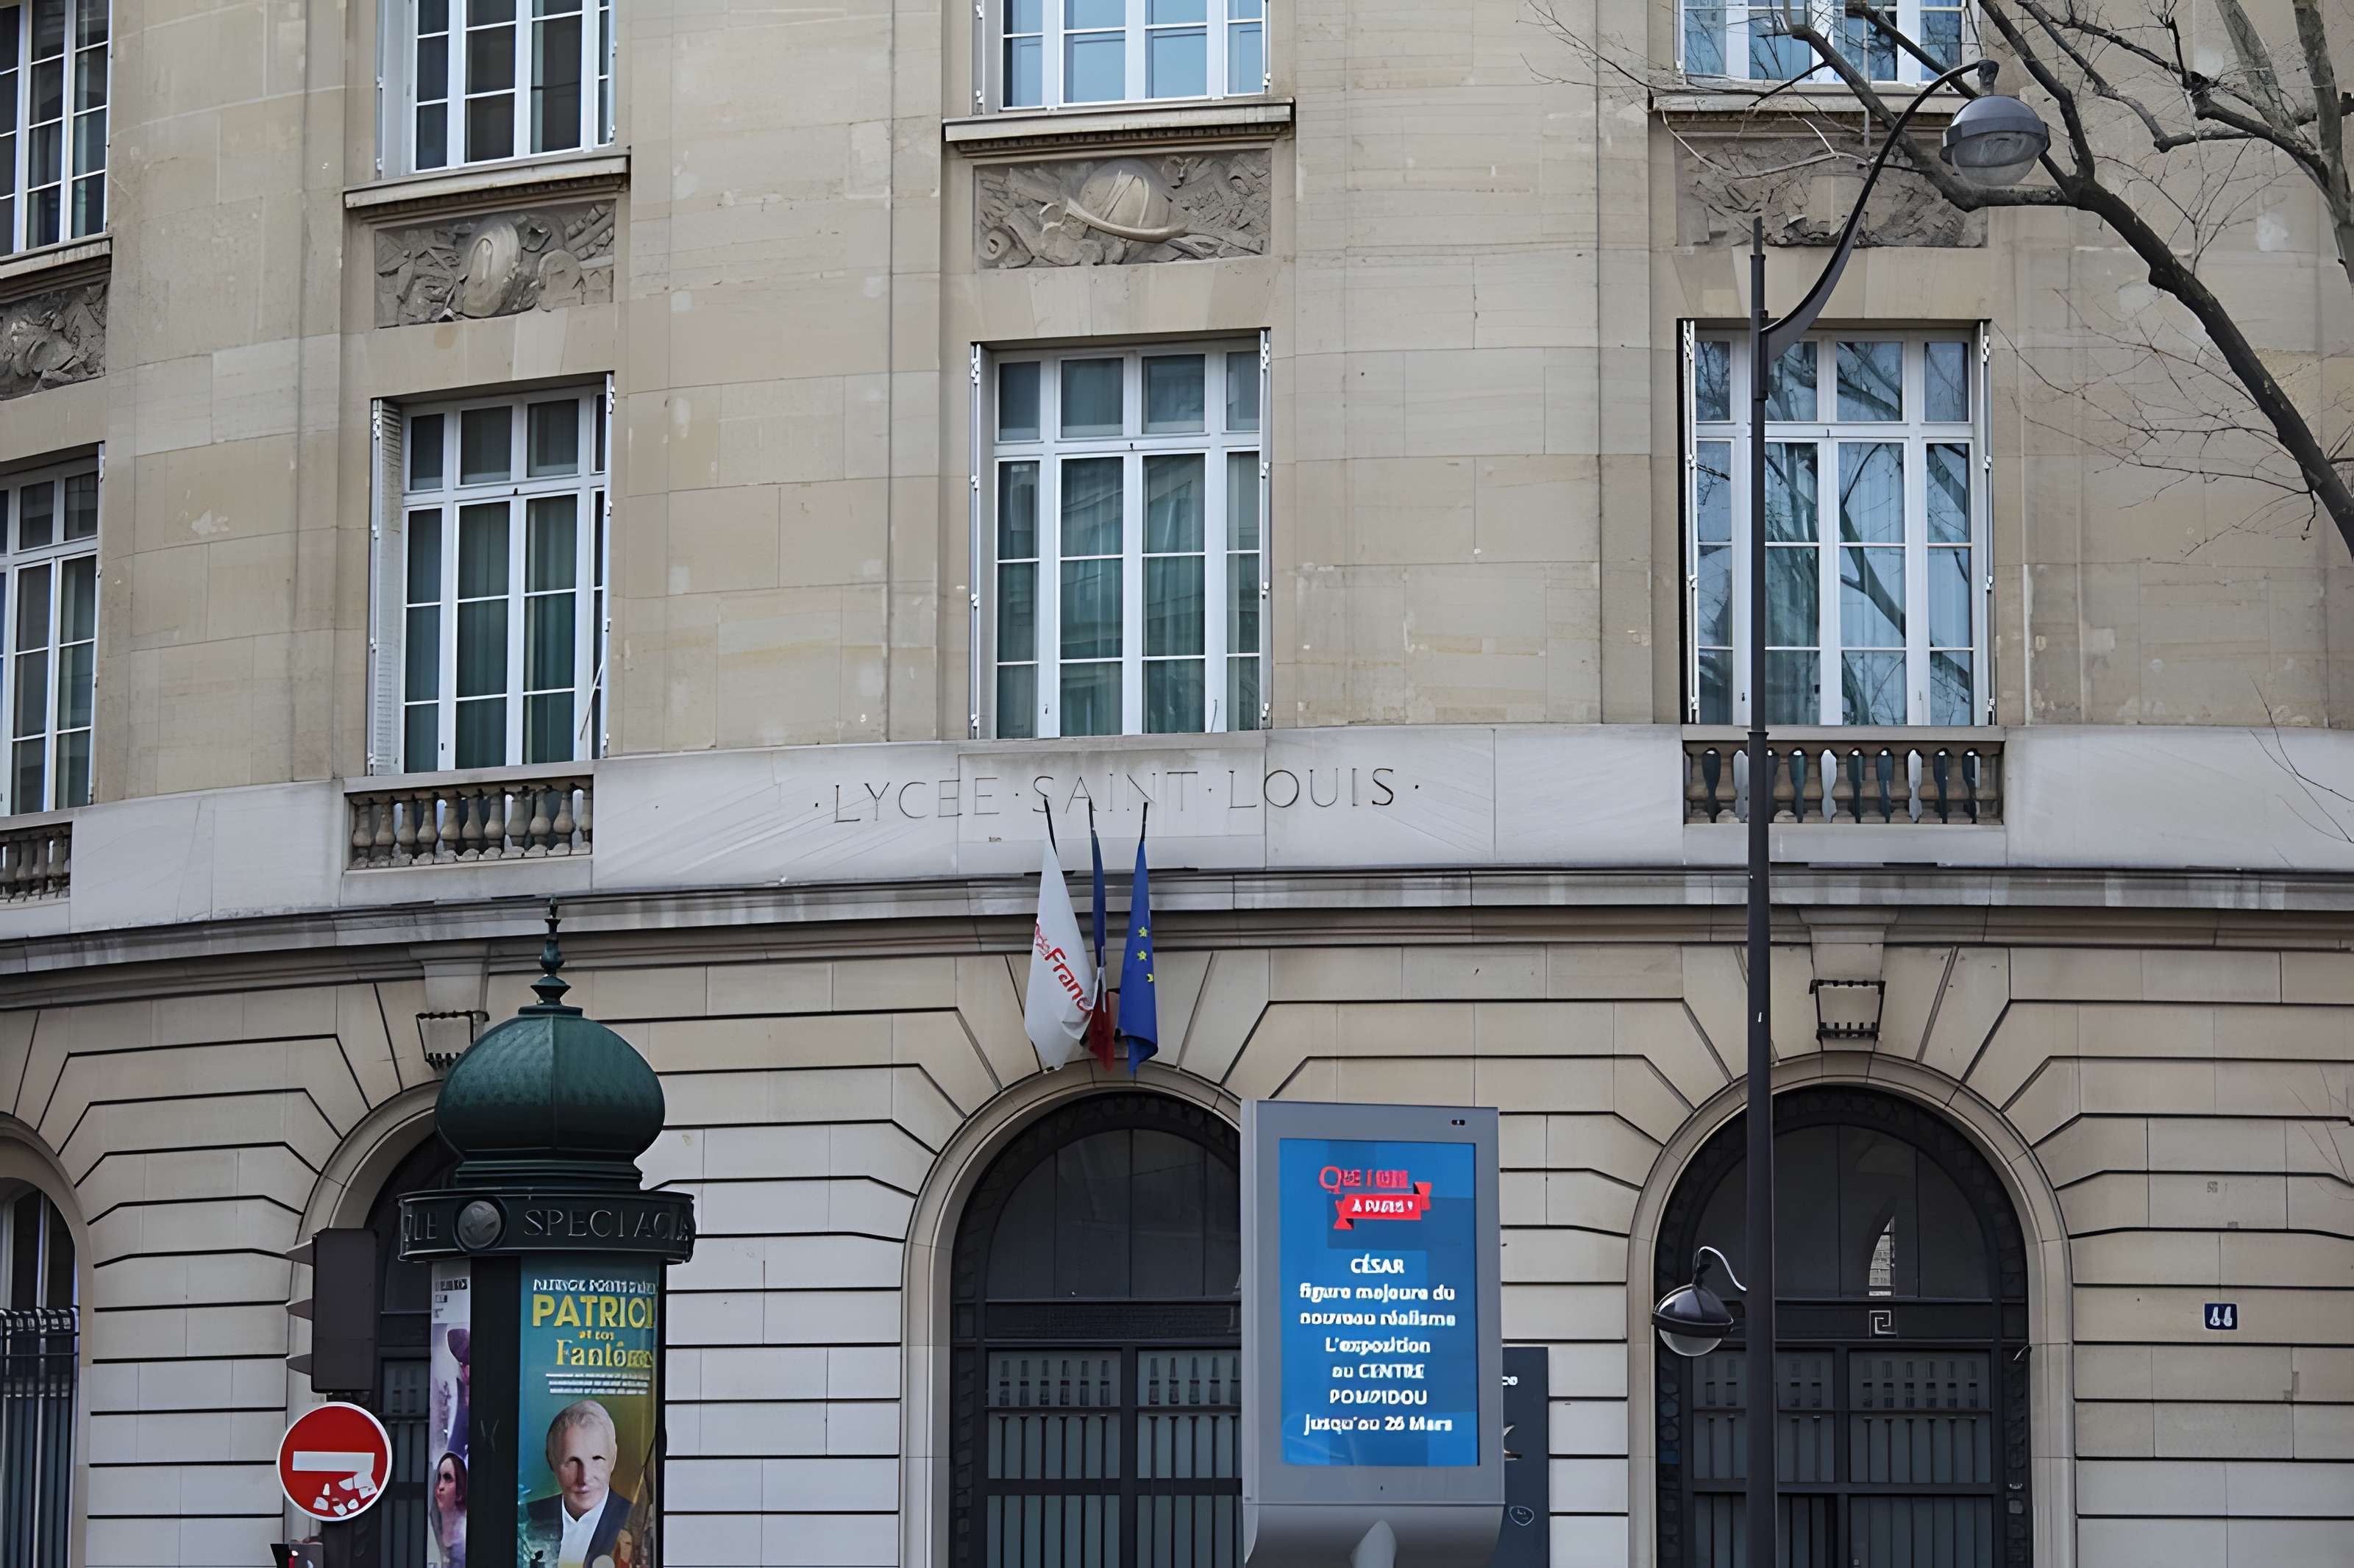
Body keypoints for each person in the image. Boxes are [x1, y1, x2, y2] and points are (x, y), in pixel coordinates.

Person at [522, 1400, 633, 1568]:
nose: (584, 1478)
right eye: (573, 1461)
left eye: (597, 1459)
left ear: (613, 1457)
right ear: (551, 1460)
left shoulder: (635, 1521)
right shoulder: (524, 1519)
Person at [431, 1451, 467, 1568]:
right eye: (439, 1478)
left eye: (448, 1479)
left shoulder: (466, 1535)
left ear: (460, 1493)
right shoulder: (430, 1525)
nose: (440, 1486)